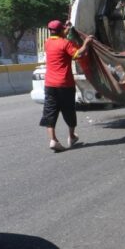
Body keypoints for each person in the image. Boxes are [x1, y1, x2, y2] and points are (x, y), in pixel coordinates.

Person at [39, 20, 93, 152]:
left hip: (49, 84)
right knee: (68, 110)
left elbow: (59, 36)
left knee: (50, 111)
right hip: (64, 84)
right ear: (61, 31)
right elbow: (78, 54)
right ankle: (71, 136)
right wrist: (86, 43)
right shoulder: (65, 43)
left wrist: (67, 28)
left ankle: (53, 140)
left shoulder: (47, 43)